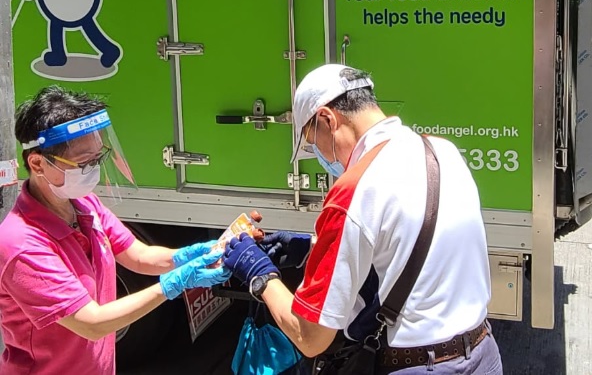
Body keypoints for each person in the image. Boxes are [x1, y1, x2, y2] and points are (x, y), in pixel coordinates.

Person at [223, 64, 503, 374]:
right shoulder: (441, 151)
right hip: (483, 352)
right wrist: (309, 249)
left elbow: (311, 337)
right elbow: (404, 244)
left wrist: (259, 274)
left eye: (313, 143)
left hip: (420, 366)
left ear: (327, 119)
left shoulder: (354, 190)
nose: (321, 156)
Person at [0, 86, 228, 375]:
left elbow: (139, 256)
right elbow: (92, 323)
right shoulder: (22, 245)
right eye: (84, 163)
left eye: (98, 159)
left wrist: (191, 255)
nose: (94, 170)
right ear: (37, 163)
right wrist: (173, 285)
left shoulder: (85, 206)